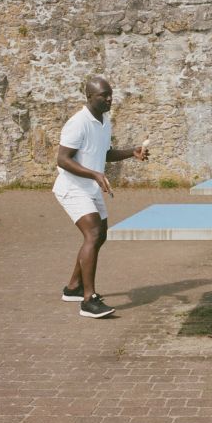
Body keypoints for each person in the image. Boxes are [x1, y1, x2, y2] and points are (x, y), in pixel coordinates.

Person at [53, 75, 149, 318]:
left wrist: (131, 152)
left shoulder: (105, 120)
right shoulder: (78, 123)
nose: (109, 99)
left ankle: (73, 287)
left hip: (90, 187)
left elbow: (104, 153)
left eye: (110, 95)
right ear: (89, 97)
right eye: (103, 95)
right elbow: (63, 160)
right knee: (93, 233)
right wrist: (95, 174)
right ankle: (89, 300)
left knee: (99, 235)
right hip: (72, 187)